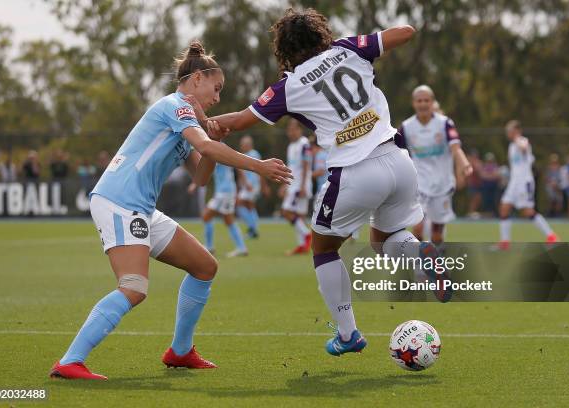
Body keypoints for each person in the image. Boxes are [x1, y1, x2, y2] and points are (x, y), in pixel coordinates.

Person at [194, 8, 442, 355]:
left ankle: (348, 334)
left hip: (356, 171)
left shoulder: (289, 85)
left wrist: (210, 122)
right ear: (321, 34)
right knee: (381, 240)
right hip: (399, 161)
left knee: (324, 249)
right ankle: (420, 255)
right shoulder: (349, 49)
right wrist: (358, 45)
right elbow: (406, 31)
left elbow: (239, 121)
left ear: (285, 49)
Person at [49, 41, 291, 380]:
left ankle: (179, 352)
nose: (218, 98)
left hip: (140, 208)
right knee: (134, 287)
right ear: (196, 79)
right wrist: (257, 165)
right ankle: (70, 361)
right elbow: (205, 146)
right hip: (119, 201)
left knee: (204, 266)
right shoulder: (175, 105)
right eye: (216, 88)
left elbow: (201, 176)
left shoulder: (187, 118)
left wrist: (213, 139)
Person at [395, 85, 472, 252]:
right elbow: (394, 153)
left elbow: (455, 148)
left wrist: (464, 164)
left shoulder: (445, 124)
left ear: (432, 102)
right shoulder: (406, 127)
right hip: (418, 184)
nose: (423, 104)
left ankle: (436, 261)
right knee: (418, 228)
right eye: (419, 100)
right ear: (414, 103)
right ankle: (420, 266)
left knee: (437, 234)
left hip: (442, 184)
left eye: (426, 100)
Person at [498, 120, 558, 249]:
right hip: (514, 182)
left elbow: (524, 147)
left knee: (528, 211)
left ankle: (552, 236)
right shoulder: (511, 146)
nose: (508, 133)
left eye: (510, 130)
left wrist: (518, 140)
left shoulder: (522, 141)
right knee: (504, 208)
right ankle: (504, 242)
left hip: (524, 182)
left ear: (517, 131)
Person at [202, 161, 249, 257]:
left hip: (224, 192)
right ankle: (241, 247)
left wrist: (245, 183)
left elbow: (238, 165)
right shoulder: (220, 149)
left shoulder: (216, 149)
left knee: (206, 216)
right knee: (228, 220)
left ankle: (209, 247)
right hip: (226, 191)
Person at [281, 118, 313, 255]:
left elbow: (307, 165)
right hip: (293, 185)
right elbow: (290, 167)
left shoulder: (304, 144)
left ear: (300, 129)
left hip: (300, 185)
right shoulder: (290, 146)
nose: (291, 132)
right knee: (299, 216)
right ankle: (302, 246)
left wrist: (303, 185)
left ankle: (307, 235)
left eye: (293, 129)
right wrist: (284, 183)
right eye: (289, 129)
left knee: (286, 211)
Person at [236, 135, 262, 238]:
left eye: (243, 144)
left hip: (251, 185)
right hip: (249, 185)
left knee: (239, 204)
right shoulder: (248, 154)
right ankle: (254, 229)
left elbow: (256, 170)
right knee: (250, 206)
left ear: (248, 145)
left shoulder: (253, 154)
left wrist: (247, 183)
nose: (242, 146)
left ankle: (252, 227)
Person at [544, 153, 563, 217]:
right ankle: (550, 212)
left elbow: (561, 178)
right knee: (551, 199)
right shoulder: (549, 168)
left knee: (559, 199)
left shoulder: (560, 168)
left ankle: (557, 213)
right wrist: (551, 183)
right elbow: (546, 178)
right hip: (550, 186)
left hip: (558, 186)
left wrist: (556, 184)